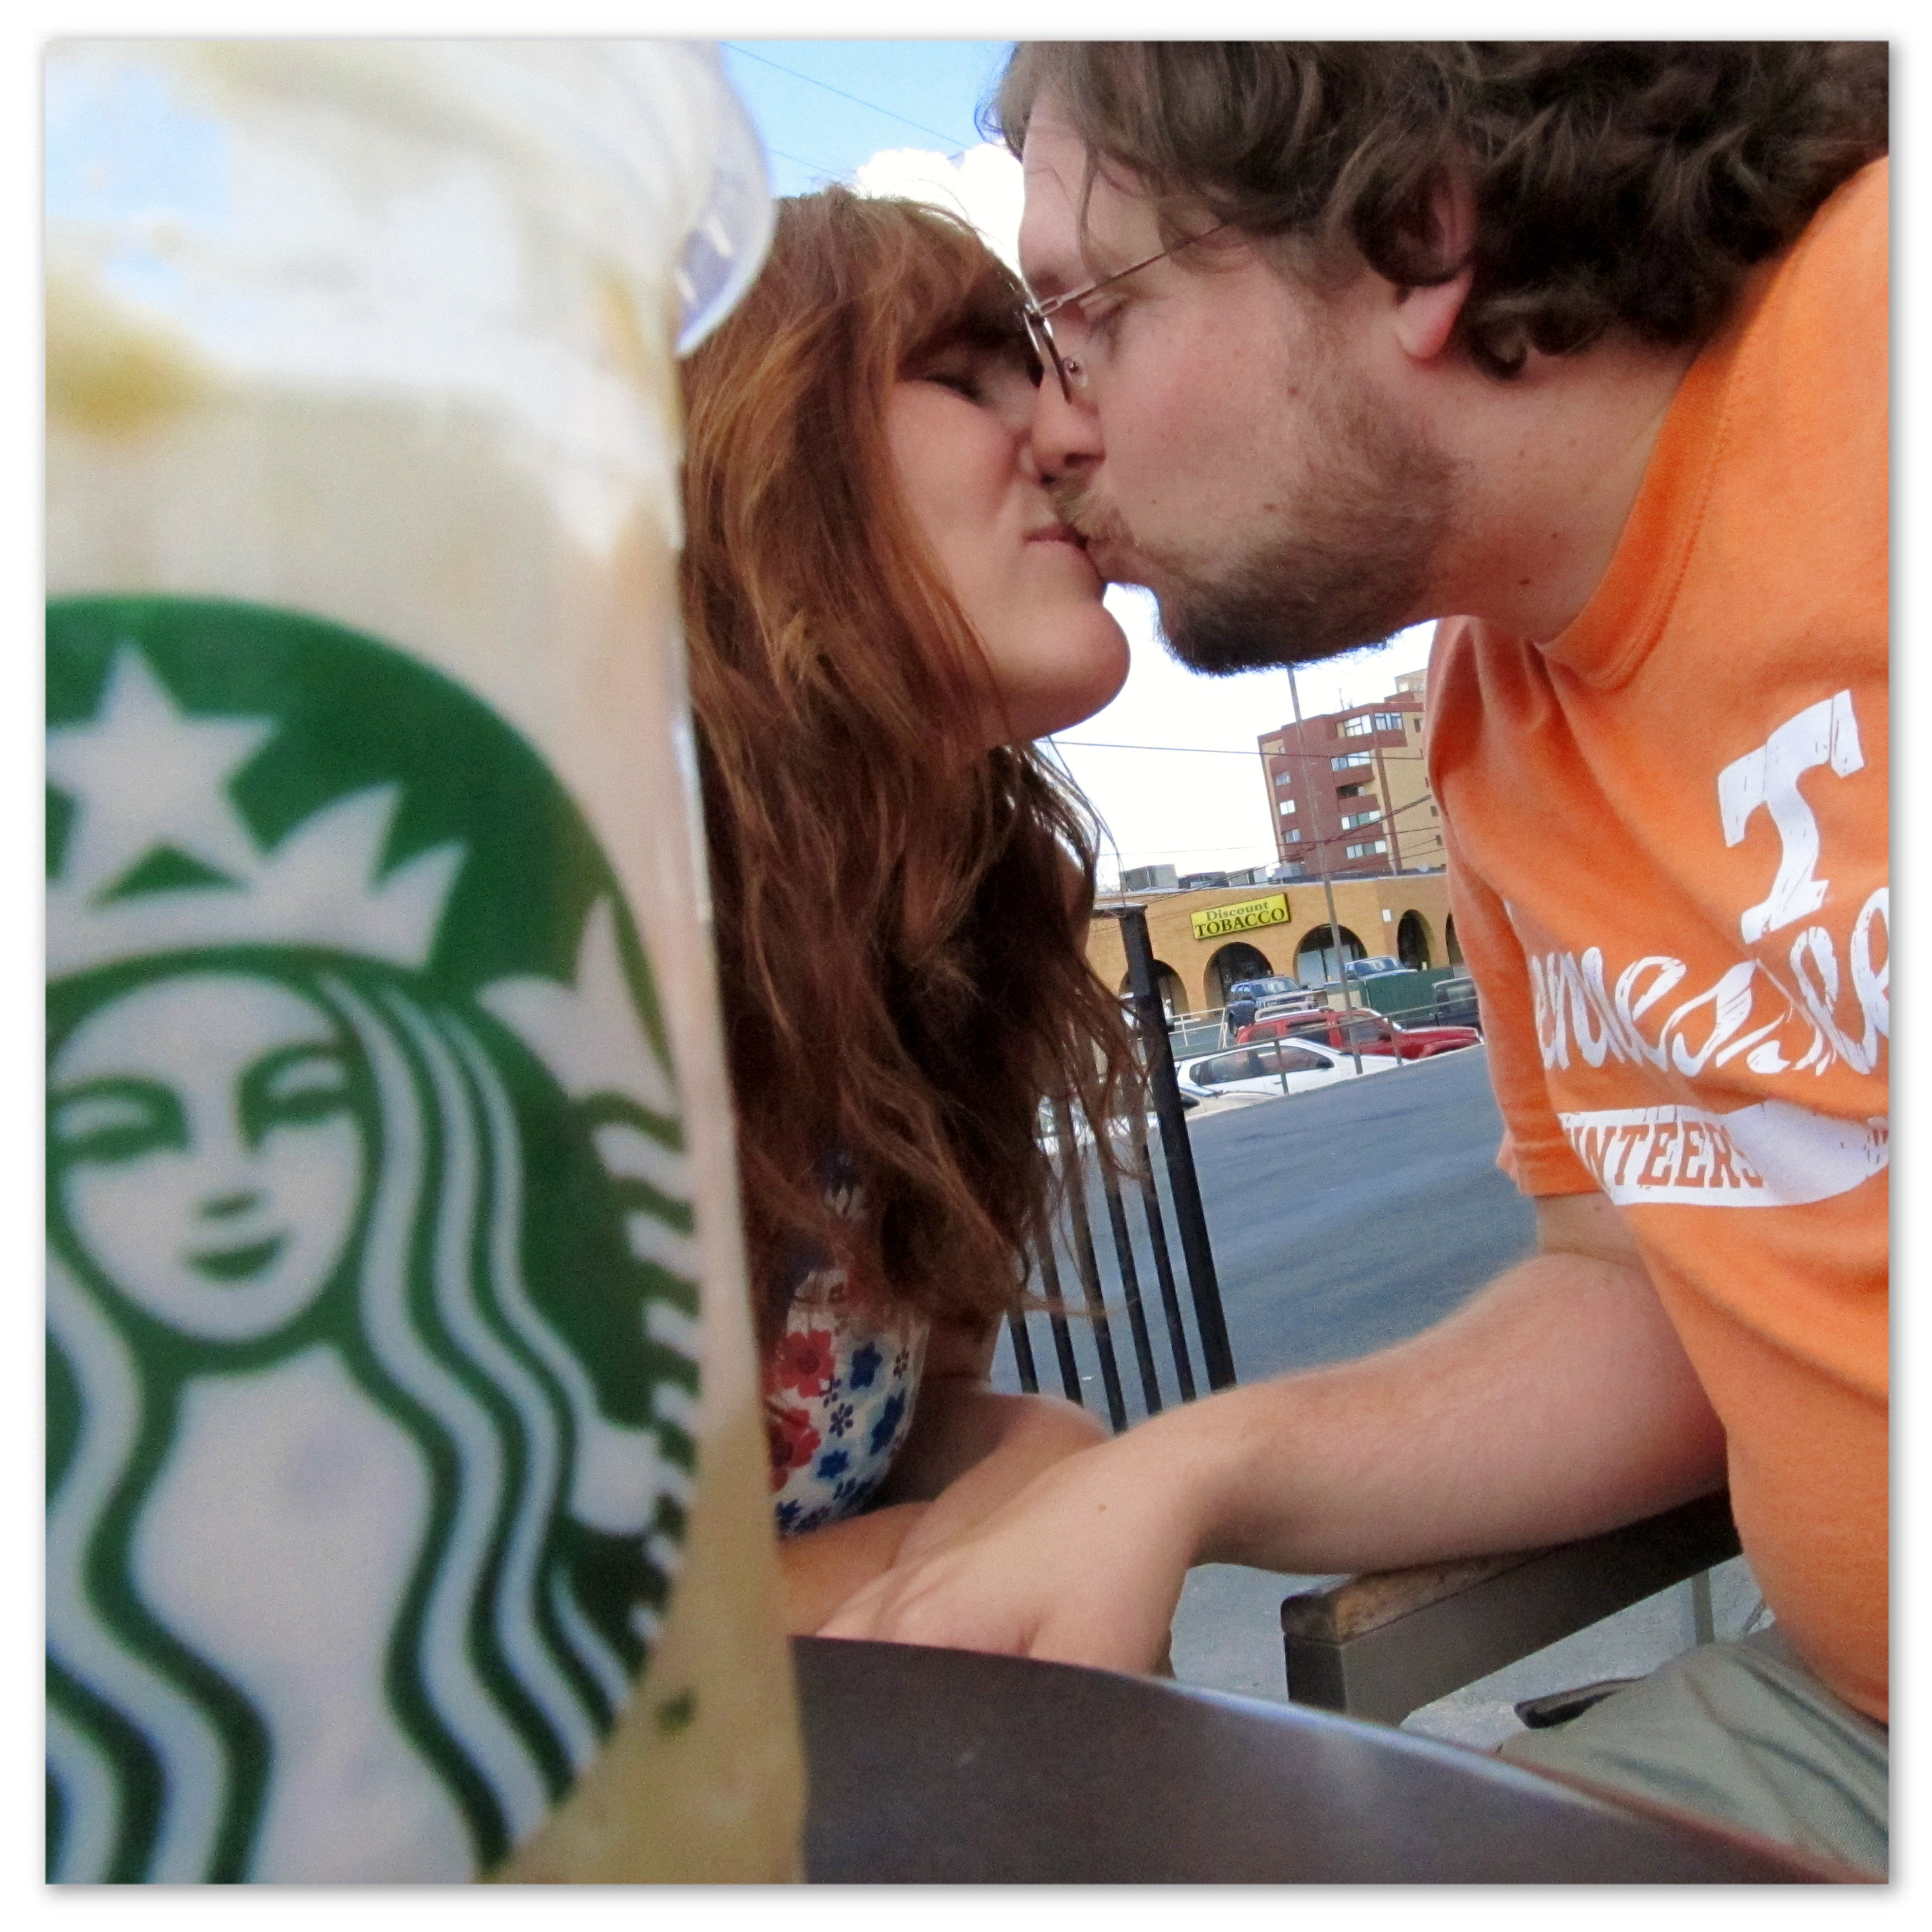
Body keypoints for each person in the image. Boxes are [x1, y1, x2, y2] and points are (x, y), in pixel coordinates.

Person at [817, 44, 1889, 1874]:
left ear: (1412, 236)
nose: (1061, 433)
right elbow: (1640, 1292)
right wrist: (1193, 1463)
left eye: (1085, 314)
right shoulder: (1496, 714)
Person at [677, 188, 1143, 1631]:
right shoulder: (552, 908)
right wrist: (947, 1565)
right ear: (752, 451)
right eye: (963, 372)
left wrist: (1049, 1453)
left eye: (1058, 370)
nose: (1073, 437)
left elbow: (913, 1414)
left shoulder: (991, 914)